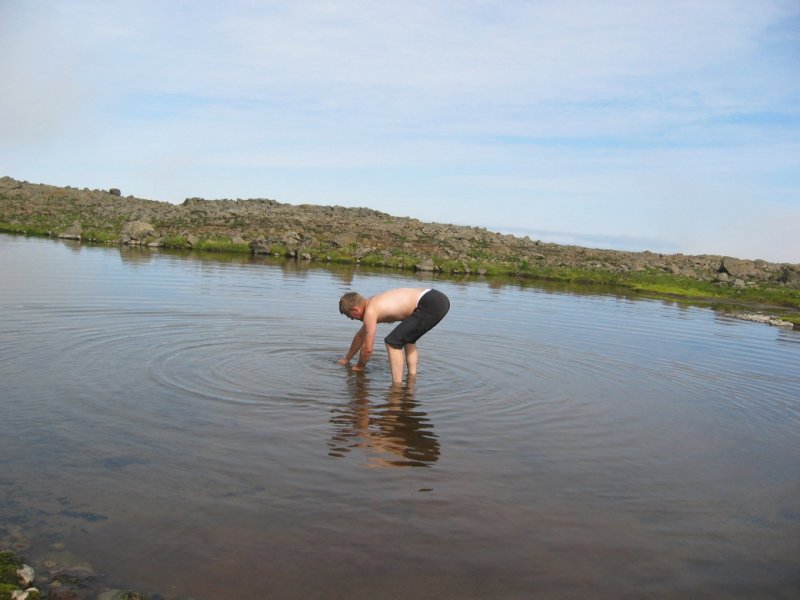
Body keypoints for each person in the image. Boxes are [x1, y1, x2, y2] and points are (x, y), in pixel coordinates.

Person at [338, 288, 450, 383]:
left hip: (430, 303)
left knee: (392, 342)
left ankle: (396, 388)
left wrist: (359, 366)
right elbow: (360, 336)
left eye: (350, 315)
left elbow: (368, 349)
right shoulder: (373, 303)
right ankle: (412, 379)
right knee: (407, 339)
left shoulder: (370, 311)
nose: (352, 319)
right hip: (436, 299)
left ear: (355, 310)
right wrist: (347, 359)